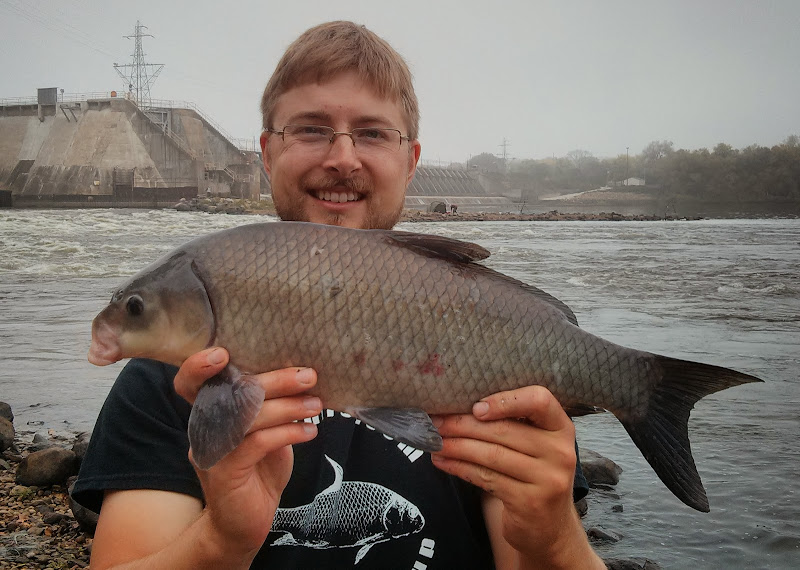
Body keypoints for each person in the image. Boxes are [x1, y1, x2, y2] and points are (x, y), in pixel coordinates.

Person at [73, 21, 605, 569]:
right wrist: (222, 541)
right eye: (310, 129)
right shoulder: (171, 382)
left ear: (412, 161)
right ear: (266, 152)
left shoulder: (499, 355)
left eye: (373, 133)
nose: (343, 158)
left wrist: (555, 537)